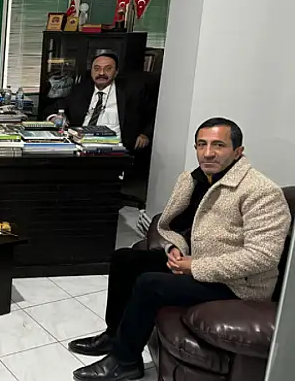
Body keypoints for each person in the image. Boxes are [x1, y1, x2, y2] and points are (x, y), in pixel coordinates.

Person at [68, 117, 291, 381]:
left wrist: (194, 266)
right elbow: (178, 226)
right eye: (202, 144)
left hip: (238, 284)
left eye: (219, 145)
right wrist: (175, 247)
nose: (208, 152)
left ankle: (125, 361)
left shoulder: (261, 192)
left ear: (238, 151)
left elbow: (263, 257)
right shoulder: (195, 180)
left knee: (150, 284)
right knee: (124, 259)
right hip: (199, 263)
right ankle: (114, 335)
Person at [44, 50, 154, 152]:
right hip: (81, 146)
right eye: (96, 69)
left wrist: (145, 135)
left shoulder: (132, 91)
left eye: (107, 69)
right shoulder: (81, 90)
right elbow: (53, 108)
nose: (101, 73)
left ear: (116, 72)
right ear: (91, 71)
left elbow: (154, 114)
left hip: (116, 148)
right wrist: (54, 118)